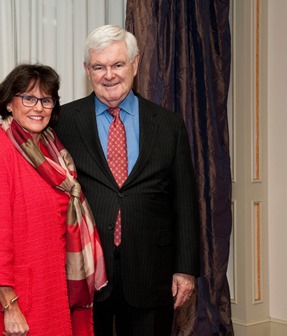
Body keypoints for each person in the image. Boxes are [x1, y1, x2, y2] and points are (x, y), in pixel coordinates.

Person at [54, 25, 200, 336]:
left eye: (118, 64)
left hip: (152, 268)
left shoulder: (169, 125)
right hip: (87, 270)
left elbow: (184, 202)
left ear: (135, 63)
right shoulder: (63, 122)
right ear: (86, 69)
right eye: (99, 66)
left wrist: (186, 269)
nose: (109, 75)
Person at [0, 63, 107, 336]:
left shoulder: (54, 152)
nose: (38, 107)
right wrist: (10, 307)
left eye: (46, 99)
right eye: (28, 98)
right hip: (14, 301)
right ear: (8, 103)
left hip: (51, 289)